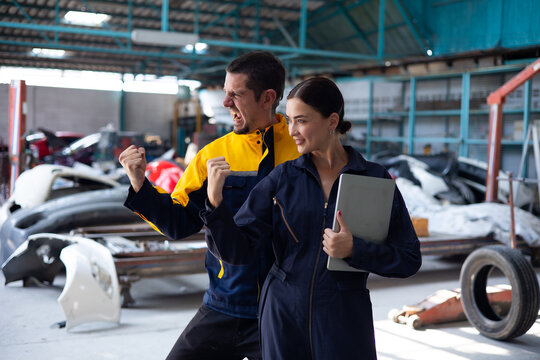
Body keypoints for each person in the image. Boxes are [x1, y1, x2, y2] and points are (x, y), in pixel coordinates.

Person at [202, 77, 422, 360]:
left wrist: (355, 250)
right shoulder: (282, 179)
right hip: (283, 316)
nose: (291, 131)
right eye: (290, 120)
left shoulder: (374, 180)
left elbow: (408, 258)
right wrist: (215, 204)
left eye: (301, 121)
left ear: (332, 121)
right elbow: (237, 251)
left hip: (344, 319)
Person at [118, 51, 300, 360]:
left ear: (268, 97)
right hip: (223, 305)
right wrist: (139, 183)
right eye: (225, 93)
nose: (226, 103)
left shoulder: (300, 151)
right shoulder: (212, 155)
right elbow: (178, 224)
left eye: (236, 95)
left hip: (280, 310)